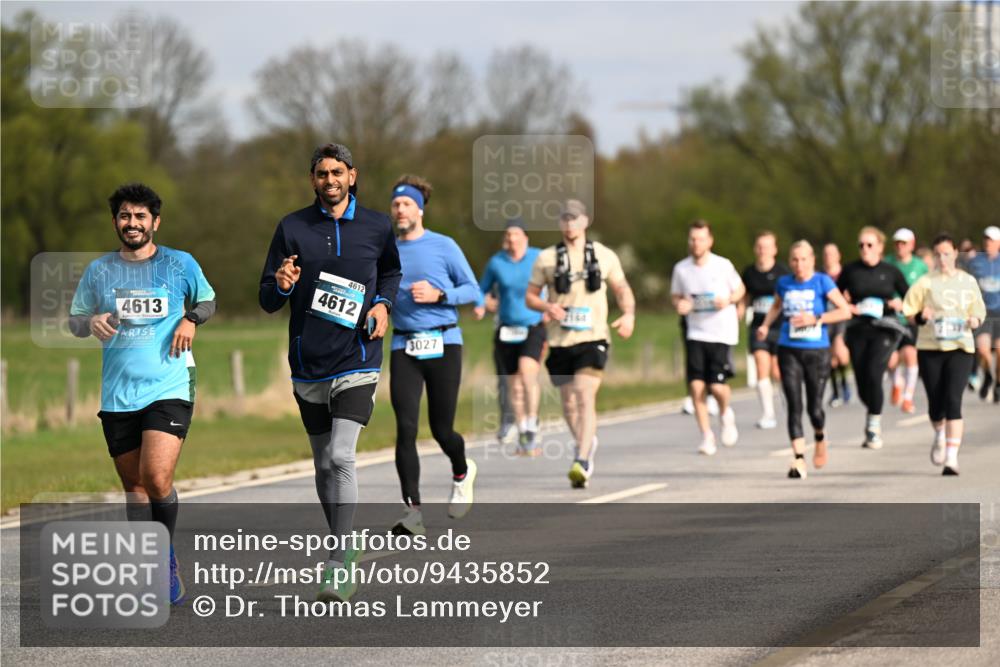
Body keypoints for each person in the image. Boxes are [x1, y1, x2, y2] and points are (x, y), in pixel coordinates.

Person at [259, 143, 401, 602]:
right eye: (322, 173)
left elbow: (391, 272)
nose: (330, 180)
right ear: (313, 179)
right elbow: (267, 298)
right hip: (309, 363)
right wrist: (281, 284)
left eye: (338, 172)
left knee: (341, 457)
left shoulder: (377, 225)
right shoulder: (292, 227)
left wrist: (383, 304)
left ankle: (338, 562)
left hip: (358, 357)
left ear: (352, 176)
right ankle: (346, 541)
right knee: (322, 464)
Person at [69, 183, 217, 605]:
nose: (131, 223)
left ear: (155, 222)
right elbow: (75, 320)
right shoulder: (99, 271)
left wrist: (190, 319)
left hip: (169, 385)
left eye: (139, 216)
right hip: (118, 394)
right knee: (134, 486)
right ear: (115, 221)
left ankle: (161, 563)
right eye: (124, 216)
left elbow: (208, 300)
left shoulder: (179, 263)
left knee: (156, 477)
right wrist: (90, 322)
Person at [388, 174, 481, 533]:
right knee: (405, 427)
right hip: (404, 345)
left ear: (420, 210)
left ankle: (462, 470)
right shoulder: (385, 250)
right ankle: (412, 512)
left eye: (407, 204)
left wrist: (440, 295)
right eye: (396, 204)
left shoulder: (444, 245)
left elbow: (472, 289)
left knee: (442, 430)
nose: (400, 209)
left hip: (444, 342)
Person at [526, 199, 636, 488]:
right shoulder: (546, 258)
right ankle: (585, 441)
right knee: (568, 403)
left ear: (585, 221)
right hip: (560, 340)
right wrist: (546, 307)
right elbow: (530, 296)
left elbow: (622, 288)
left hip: (593, 337)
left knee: (584, 394)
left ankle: (582, 459)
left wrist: (628, 314)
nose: (570, 224)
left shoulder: (604, 255)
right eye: (565, 218)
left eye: (575, 218)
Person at [757, 241, 852, 479]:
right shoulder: (784, 283)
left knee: (814, 409)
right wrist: (765, 325)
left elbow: (844, 310)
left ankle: (820, 435)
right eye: (795, 260)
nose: (799, 265)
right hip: (788, 349)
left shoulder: (822, 281)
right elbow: (776, 307)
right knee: (793, 404)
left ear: (812, 260)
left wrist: (816, 318)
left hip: (817, 351)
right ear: (790, 262)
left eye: (804, 259)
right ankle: (798, 458)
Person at [902, 233, 986, 475]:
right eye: (938, 254)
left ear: (955, 253)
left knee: (953, 400)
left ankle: (951, 458)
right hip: (931, 348)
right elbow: (909, 311)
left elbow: (978, 311)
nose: (943, 259)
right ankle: (939, 433)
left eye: (947, 253)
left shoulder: (967, 281)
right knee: (936, 405)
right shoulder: (925, 282)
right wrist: (921, 317)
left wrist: (974, 320)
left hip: (960, 347)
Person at [671, 220, 746, 456]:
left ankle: (725, 413)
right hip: (696, 332)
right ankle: (706, 435)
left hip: (721, 332)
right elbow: (676, 296)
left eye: (701, 239)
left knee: (717, 386)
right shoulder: (681, 269)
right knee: (696, 386)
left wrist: (729, 300)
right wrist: (680, 305)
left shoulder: (723, 265)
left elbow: (740, 289)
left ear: (710, 241)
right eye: (693, 239)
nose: (696, 243)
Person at [474, 218, 546, 456]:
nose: (512, 239)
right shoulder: (497, 262)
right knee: (513, 383)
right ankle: (524, 430)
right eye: (508, 235)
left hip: (533, 325)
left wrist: (550, 307)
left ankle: (532, 423)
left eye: (516, 234)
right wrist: (483, 304)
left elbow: (554, 283)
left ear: (525, 237)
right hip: (506, 327)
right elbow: (481, 290)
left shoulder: (538, 257)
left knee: (527, 372)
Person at [837, 227, 910, 449]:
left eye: (869, 245)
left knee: (874, 372)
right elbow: (835, 295)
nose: (865, 249)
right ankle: (873, 410)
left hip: (884, 329)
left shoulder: (891, 271)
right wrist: (847, 306)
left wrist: (899, 304)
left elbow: (909, 298)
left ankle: (873, 426)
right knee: (861, 382)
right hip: (858, 329)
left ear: (879, 247)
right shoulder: (850, 270)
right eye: (861, 245)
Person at [741, 231, 790, 429]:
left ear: (774, 249)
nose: (763, 250)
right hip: (758, 327)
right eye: (760, 247)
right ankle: (768, 414)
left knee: (777, 370)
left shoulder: (783, 272)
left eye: (767, 247)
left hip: (780, 327)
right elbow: (744, 297)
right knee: (761, 366)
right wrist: (739, 311)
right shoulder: (749, 273)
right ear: (755, 249)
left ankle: (788, 401)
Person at [885, 228, 929, 413]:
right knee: (890, 361)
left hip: (910, 320)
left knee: (911, 355)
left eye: (903, 243)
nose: (899, 246)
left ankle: (908, 398)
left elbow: (926, 291)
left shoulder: (920, 266)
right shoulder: (887, 262)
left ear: (911, 244)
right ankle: (897, 382)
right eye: (897, 243)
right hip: (890, 319)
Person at [966, 226, 1000, 403]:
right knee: (983, 350)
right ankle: (987, 375)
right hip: (983, 312)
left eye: (992, 240)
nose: (988, 243)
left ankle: (998, 383)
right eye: (986, 239)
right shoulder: (975, 262)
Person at [822, 243, 852, 407]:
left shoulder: (845, 274)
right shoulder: (820, 276)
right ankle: (836, 391)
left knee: (840, 352)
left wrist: (848, 299)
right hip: (826, 318)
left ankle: (845, 384)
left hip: (841, 318)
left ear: (838, 255)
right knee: (830, 358)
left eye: (832, 254)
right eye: (826, 254)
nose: (829, 257)